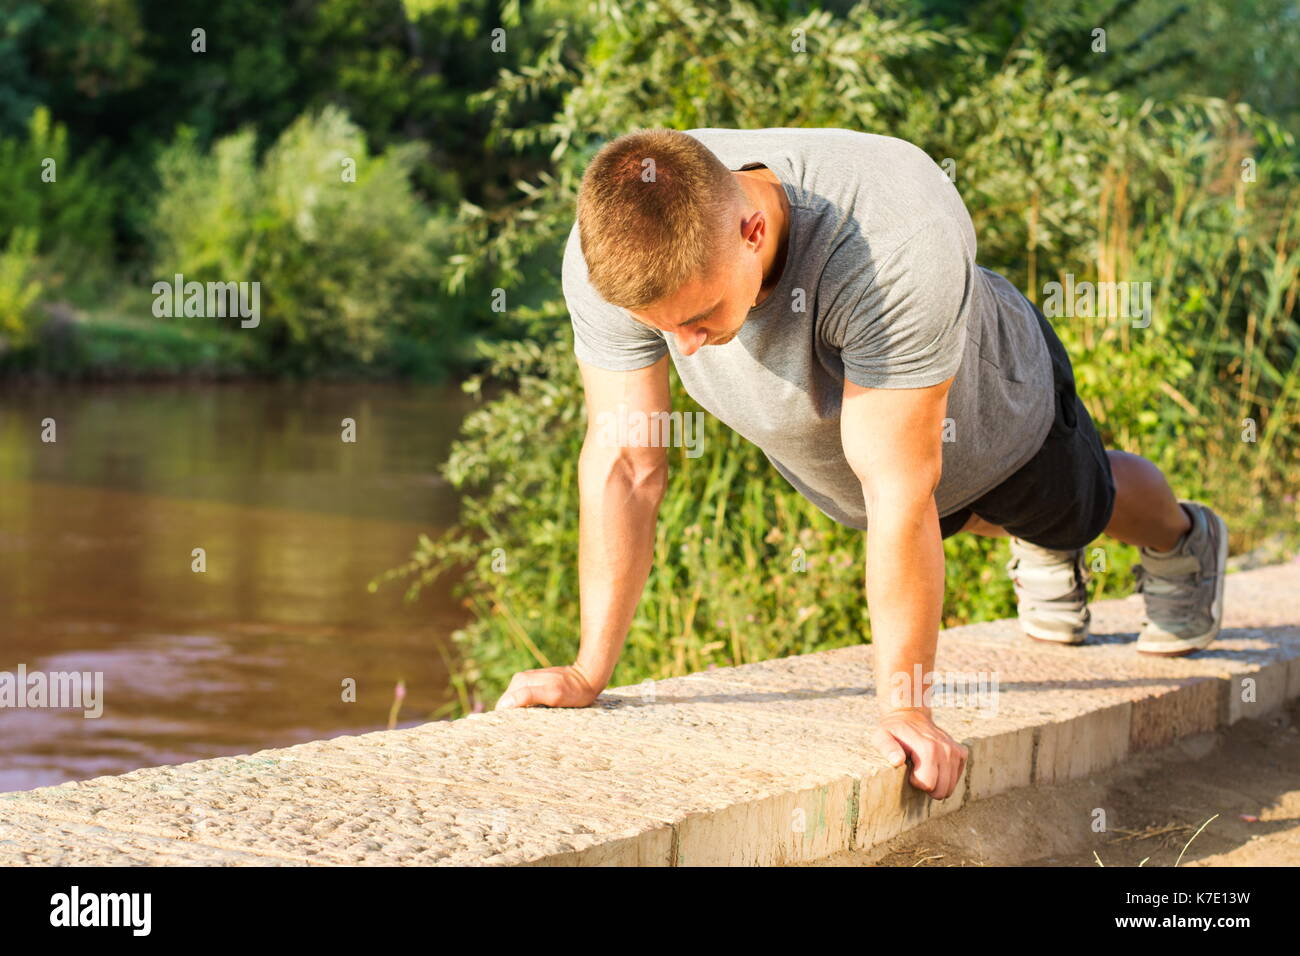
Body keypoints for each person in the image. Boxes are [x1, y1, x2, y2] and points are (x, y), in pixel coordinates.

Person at [494, 127, 1229, 802]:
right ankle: (1038, 548)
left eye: (698, 318)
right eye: (663, 330)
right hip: (862, 466)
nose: (683, 349)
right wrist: (589, 672)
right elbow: (626, 461)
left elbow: (901, 488)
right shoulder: (620, 247)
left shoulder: (890, 237)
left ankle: (1182, 539)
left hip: (992, 417)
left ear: (753, 230)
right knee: (950, 516)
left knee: (1077, 510)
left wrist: (905, 708)